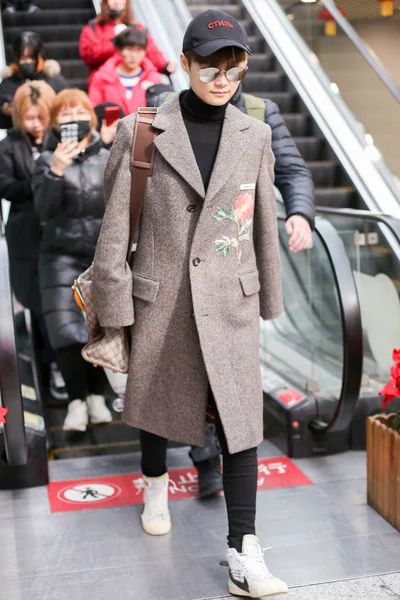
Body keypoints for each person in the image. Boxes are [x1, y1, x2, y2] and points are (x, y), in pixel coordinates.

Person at [92, 9, 290, 598]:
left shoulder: (254, 134)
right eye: (209, 64)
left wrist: (268, 297)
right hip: (162, 298)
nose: (222, 77)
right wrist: (115, 310)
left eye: (234, 66)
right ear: (183, 63)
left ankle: (244, 550)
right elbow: (112, 227)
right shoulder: (142, 129)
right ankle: (154, 482)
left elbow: (263, 223)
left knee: (240, 424)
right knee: (156, 403)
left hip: (229, 300)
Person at [146, 81, 315, 498]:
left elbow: (292, 169)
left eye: (230, 68)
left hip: (231, 273)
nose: (219, 80)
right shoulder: (170, 117)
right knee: (184, 374)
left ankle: (226, 485)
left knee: (228, 379)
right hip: (178, 274)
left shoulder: (259, 115)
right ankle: (201, 465)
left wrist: (300, 213)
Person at [33, 89, 113, 432]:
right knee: (67, 333)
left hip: (102, 256)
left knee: (104, 329)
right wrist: (55, 171)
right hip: (59, 257)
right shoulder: (45, 161)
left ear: (90, 119)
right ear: (54, 123)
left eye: (78, 112)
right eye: (63, 115)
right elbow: (43, 212)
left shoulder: (109, 157)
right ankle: (76, 402)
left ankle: (97, 395)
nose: (71, 119)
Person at [0, 81, 68, 401]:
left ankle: (66, 366)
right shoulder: (9, 146)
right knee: (38, 304)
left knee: (64, 304)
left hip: (60, 232)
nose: (37, 125)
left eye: (41, 117)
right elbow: (6, 187)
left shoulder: (62, 139)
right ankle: (52, 366)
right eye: (29, 118)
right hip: (26, 234)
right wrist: (43, 178)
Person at [79, 0, 175, 88]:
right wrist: (115, 41)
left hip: (137, 83)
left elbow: (151, 51)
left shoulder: (138, 28)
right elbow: (89, 55)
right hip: (107, 85)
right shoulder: (93, 28)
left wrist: (164, 65)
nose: (116, 2)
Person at [89, 26, 162, 117]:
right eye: (129, 49)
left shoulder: (153, 78)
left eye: (139, 50)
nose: (134, 55)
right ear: (119, 50)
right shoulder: (102, 78)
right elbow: (94, 109)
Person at [0, 31, 67, 130]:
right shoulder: (7, 84)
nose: (28, 62)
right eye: (23, 58)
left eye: (32, 58)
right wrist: (8, 111)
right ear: (16, 58)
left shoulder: (55, 80)